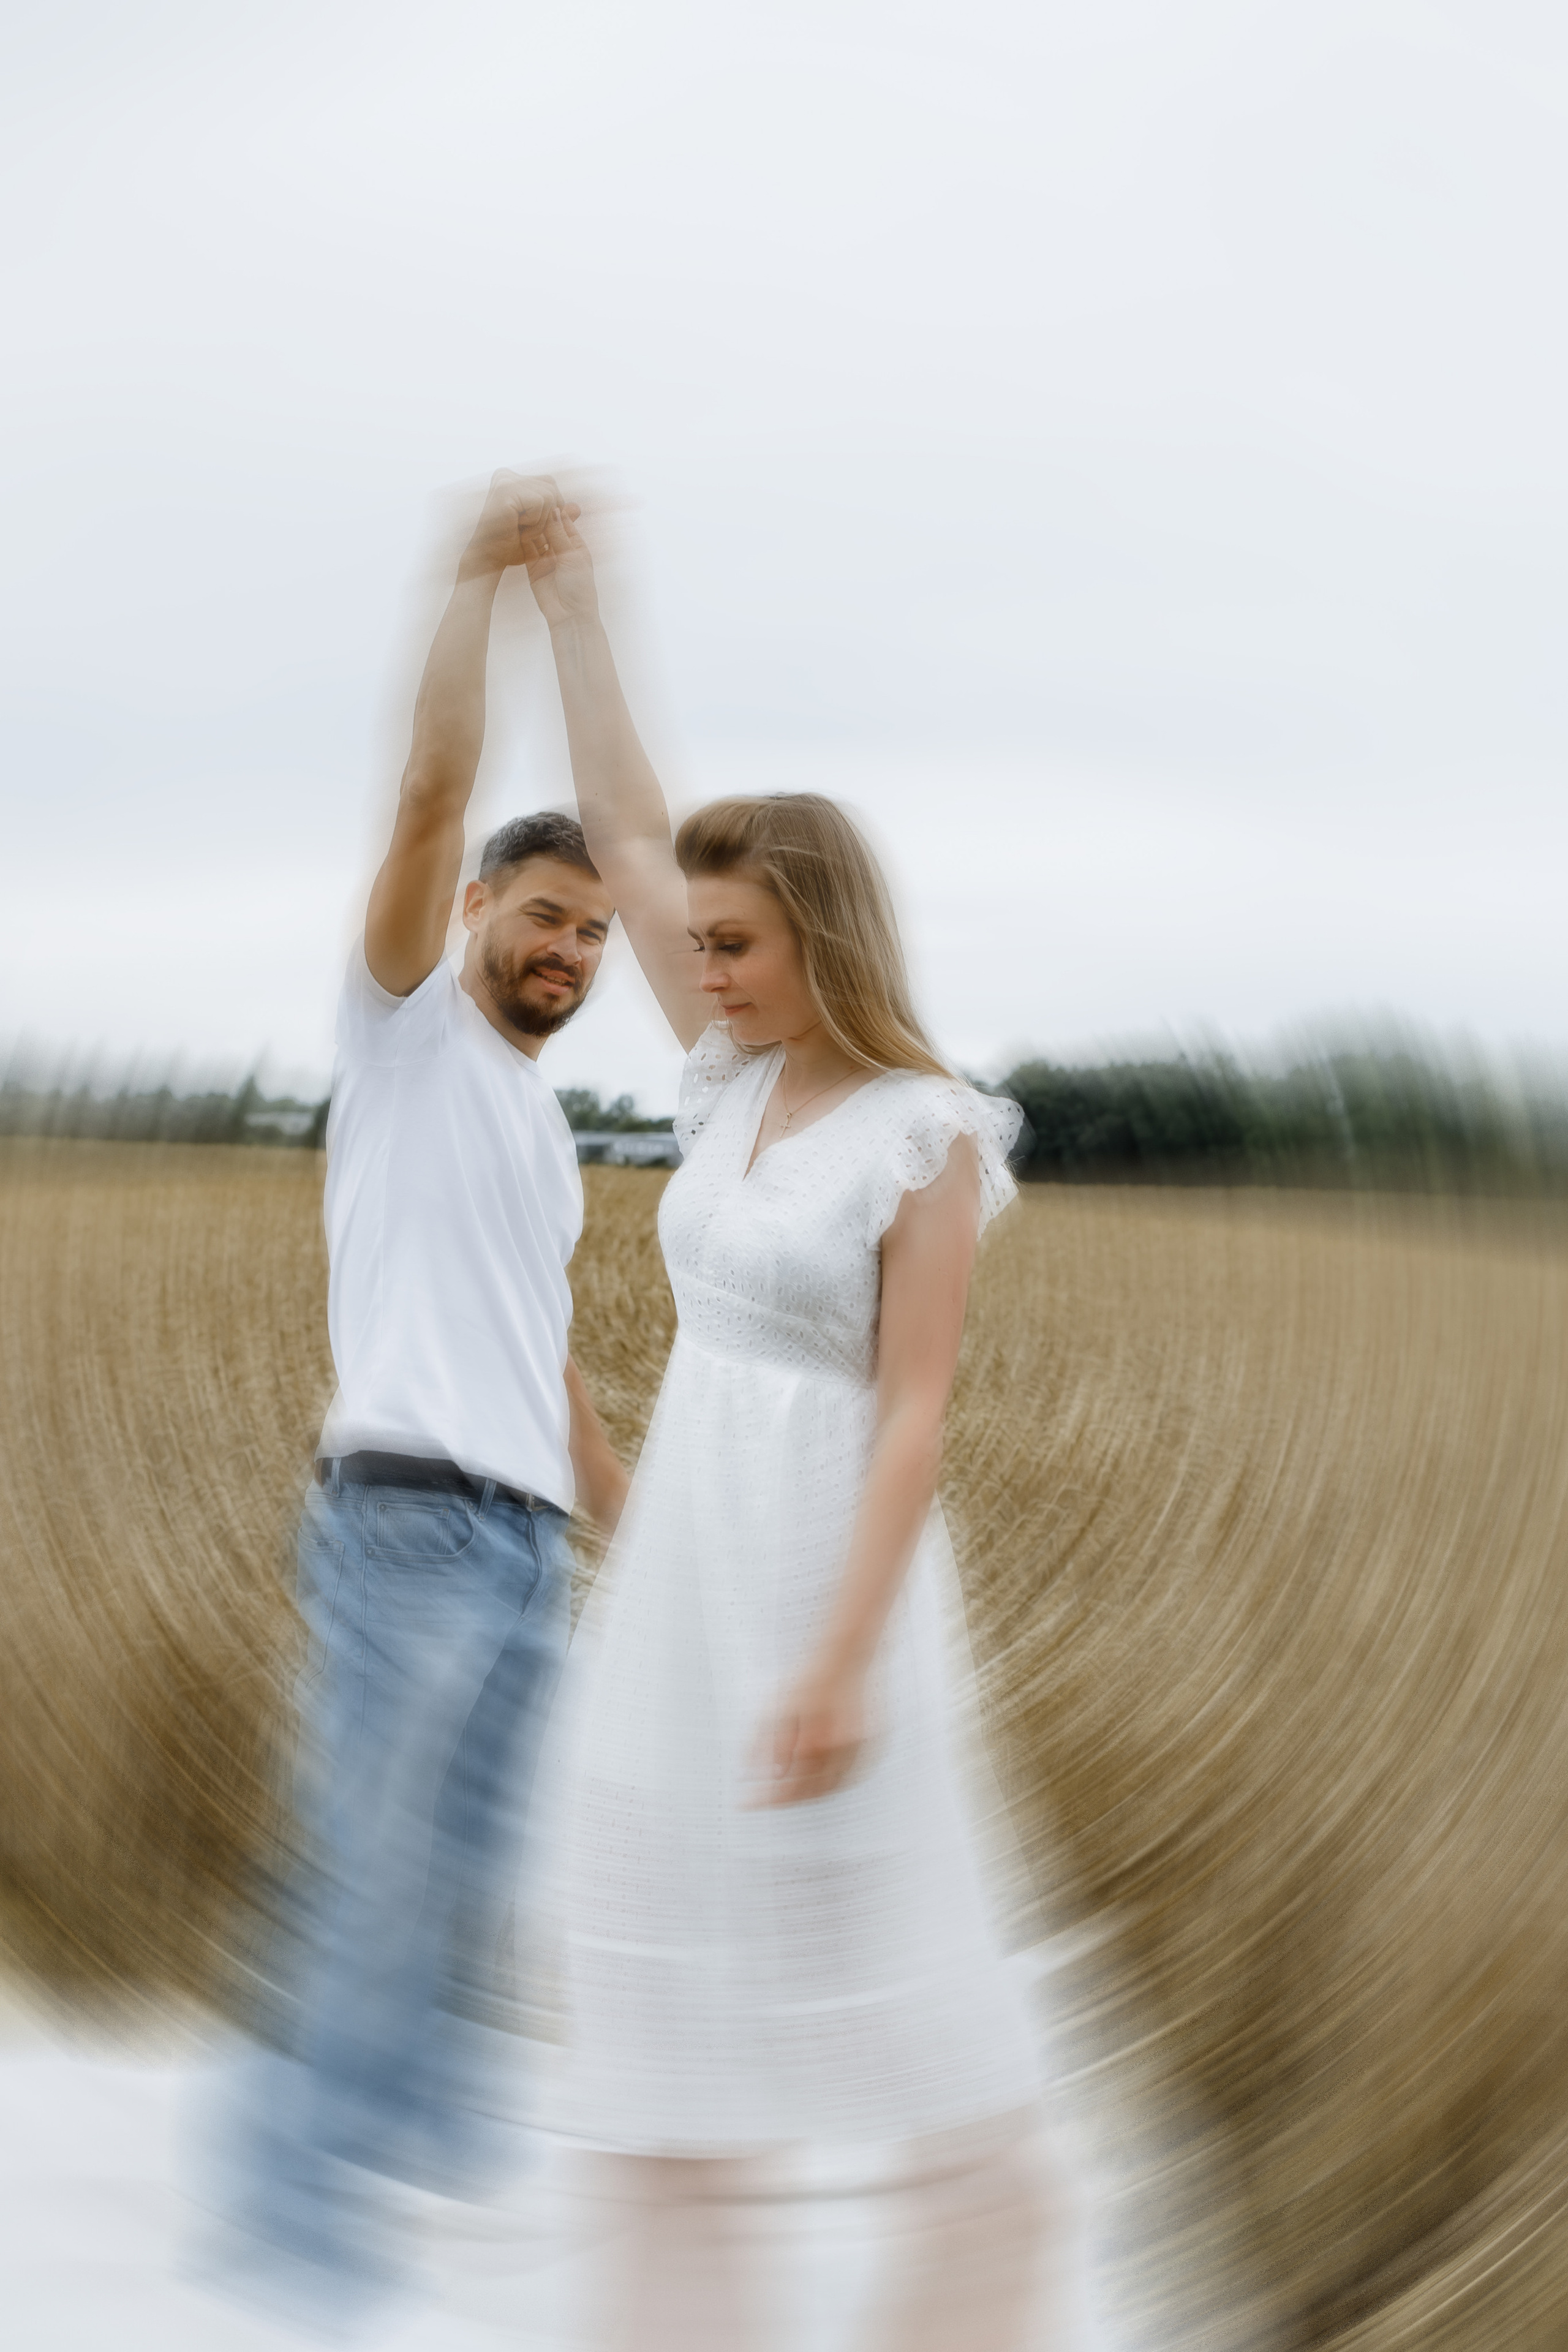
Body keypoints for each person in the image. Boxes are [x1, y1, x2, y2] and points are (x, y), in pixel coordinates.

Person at [523, 495, 1068, 2350]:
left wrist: (841, 1660)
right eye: (706, 940)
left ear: (819, 933)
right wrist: (574, 605)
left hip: (830, 1560)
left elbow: (914, 1410)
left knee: (875, 1951)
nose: (701, 962)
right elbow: (621, 823)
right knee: (657, 1935)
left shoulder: (929, 1129)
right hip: (691, 1550)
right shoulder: (727, 1077)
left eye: (739, 939)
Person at [211, 474, 629, 2320]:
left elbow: (541, 1356)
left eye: (596, 937)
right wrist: (479, 582)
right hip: (400, 1526)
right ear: (473, 910)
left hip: (525, 1544)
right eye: (546, 916)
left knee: (467, 1891)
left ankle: (422, 2149)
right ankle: (288, 2219)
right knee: (367, 1876)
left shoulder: (539, 1127)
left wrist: (645, 1529)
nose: (570, 952)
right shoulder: (402, 1026)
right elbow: (426, 785)